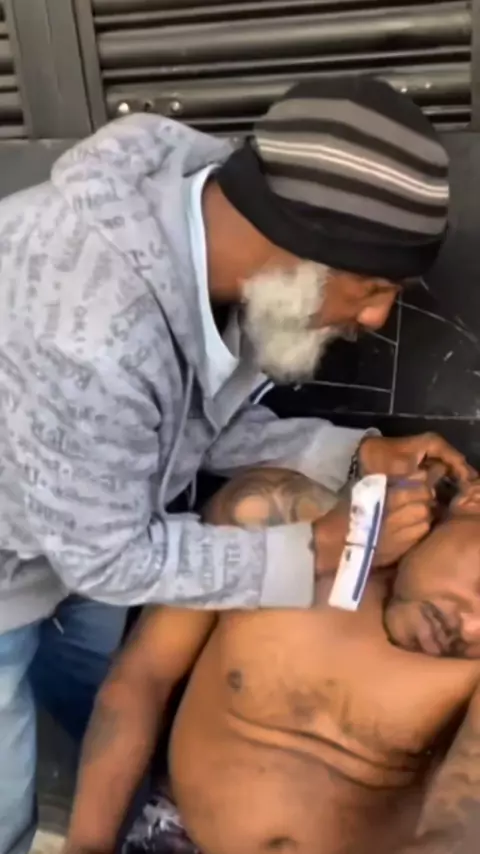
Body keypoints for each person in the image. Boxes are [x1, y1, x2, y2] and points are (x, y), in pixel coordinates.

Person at [0, 72, 469, 854]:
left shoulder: (214, 228)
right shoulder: (89, 335)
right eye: (374, 288)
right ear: (298, 254)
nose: (376, 318)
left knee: (109, 716)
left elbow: (176, 427)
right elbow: (111, 558)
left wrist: (353, 451)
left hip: (74, 538)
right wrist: (317, 548)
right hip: (19, 559)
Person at [65, 468, 480, 854]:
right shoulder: (273, 519)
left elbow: (463, 816)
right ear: (473, 501)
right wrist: (87, 845)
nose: (472, 627)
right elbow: (143, 677)